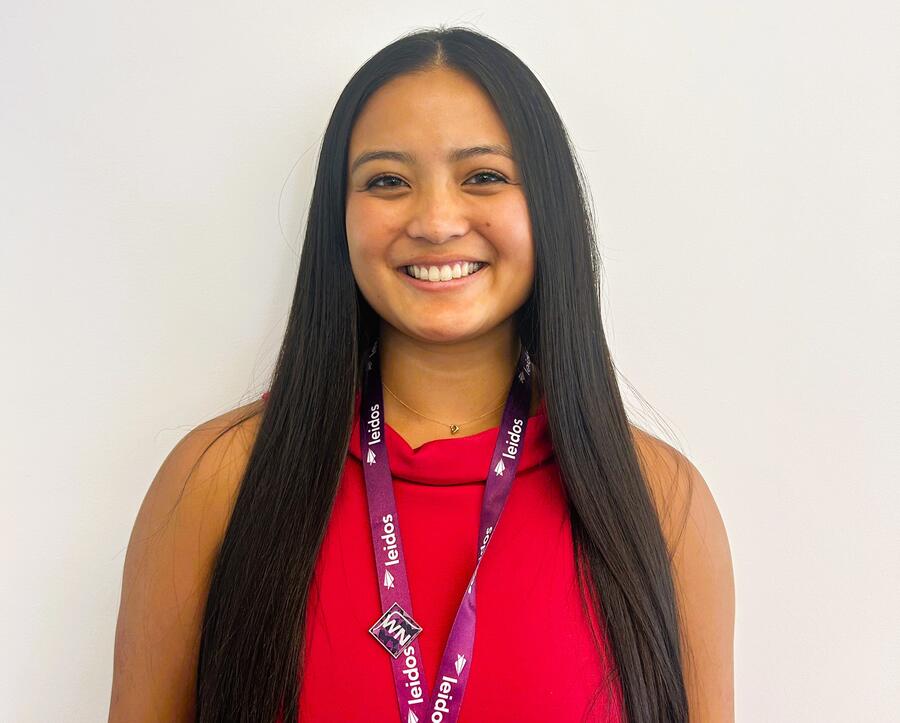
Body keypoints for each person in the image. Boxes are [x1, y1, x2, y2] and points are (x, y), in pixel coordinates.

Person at [109, 26, 734, 723]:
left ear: (548, 207)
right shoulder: (217, 481)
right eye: (387, 181)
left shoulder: (662, 501)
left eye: (484, 176)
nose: (436, 222)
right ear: (339, 217)